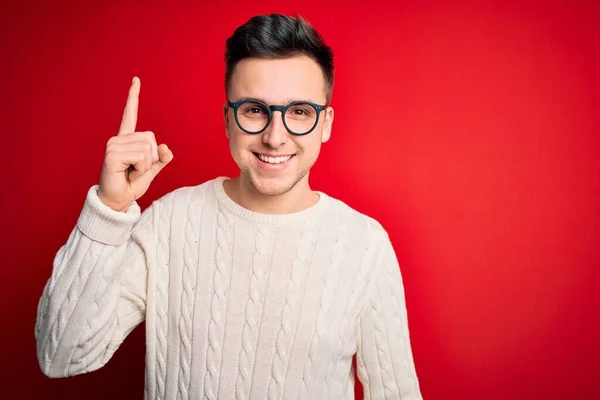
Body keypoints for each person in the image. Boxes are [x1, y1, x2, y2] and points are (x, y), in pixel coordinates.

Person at [35, 13, 423, 400]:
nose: (275, 137)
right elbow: (61, 355)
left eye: (300, 112)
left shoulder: (364, 245)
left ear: (325, 124)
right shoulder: (171, 222)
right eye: (254, 109)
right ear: (227, 120)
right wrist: (110, 207)